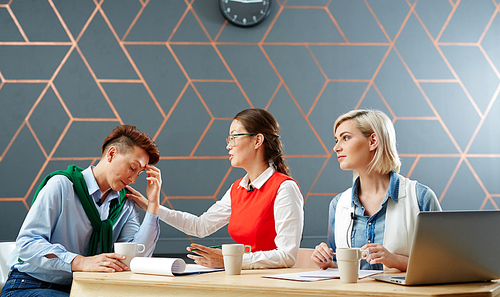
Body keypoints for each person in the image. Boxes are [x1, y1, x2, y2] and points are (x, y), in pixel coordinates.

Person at [126, 108, 304, 269]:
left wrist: (230, 260)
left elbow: (287, 256)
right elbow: (200, 226)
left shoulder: (284, 189)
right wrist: (152, 207)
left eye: (234, 137)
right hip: (241, 279)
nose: (229, 145)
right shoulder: (238, 188)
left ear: (257, 140)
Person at [1, 125, 162, 297]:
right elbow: (27, 243)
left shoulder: (125, 205)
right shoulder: (62, 186)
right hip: (30, 285)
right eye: (132, 168)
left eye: (139, 173)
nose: (133, 179)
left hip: (82, 290)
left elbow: (136, 257)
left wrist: (153, 204)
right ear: (112, 154)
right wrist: (80, 262)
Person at [311, 109, 442, 272]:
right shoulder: (338, 205)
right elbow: (339, 265)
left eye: (345, 138)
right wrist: (328, 263)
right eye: (337, 140)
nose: (336, 148)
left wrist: (395, 260)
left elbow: (441, 264)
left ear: (373, 141)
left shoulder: (421, 198)